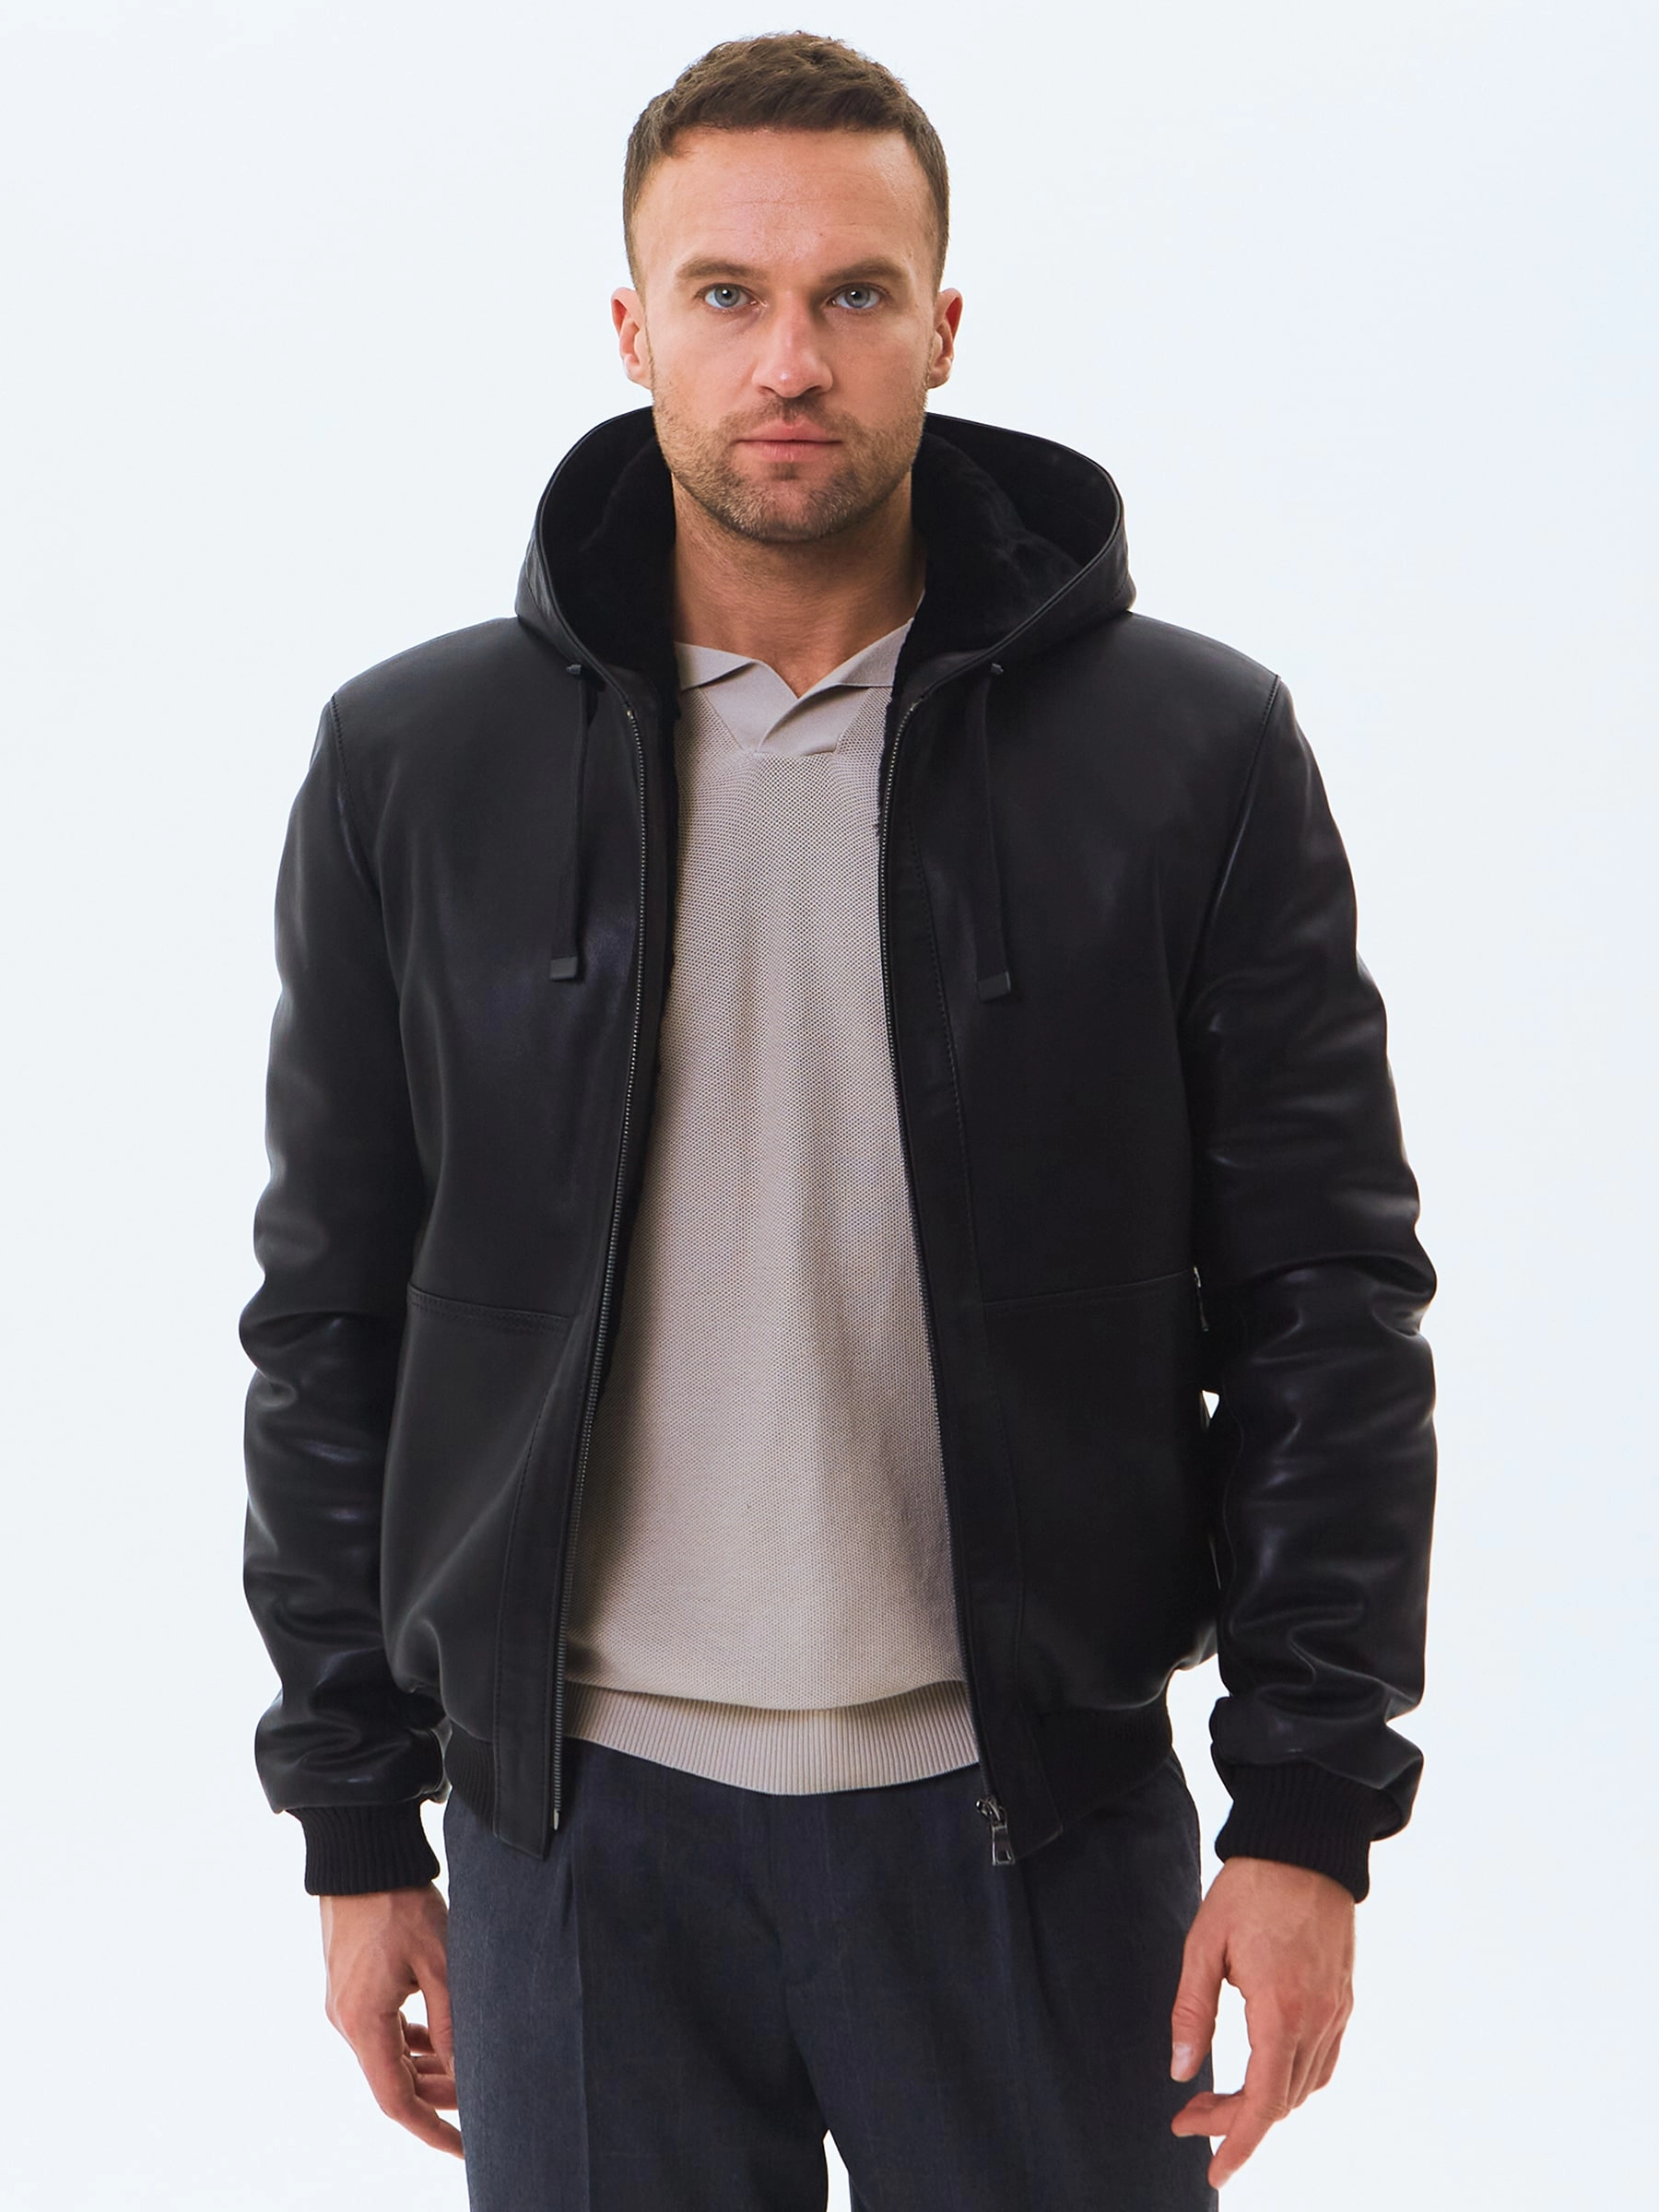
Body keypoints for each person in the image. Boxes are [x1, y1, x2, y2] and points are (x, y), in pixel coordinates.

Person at [240, 30, 1437, 2211]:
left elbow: (1325, 1303)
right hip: (573, 1841)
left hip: (1033, 1824)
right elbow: (331, 1318)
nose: (789, 359)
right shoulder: (417, 765)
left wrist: (1306, 1816)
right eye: (726, 293)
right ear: (632, 329)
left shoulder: (1189, 753)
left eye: (853, 294)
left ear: (942, 326)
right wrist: (352, 1820)